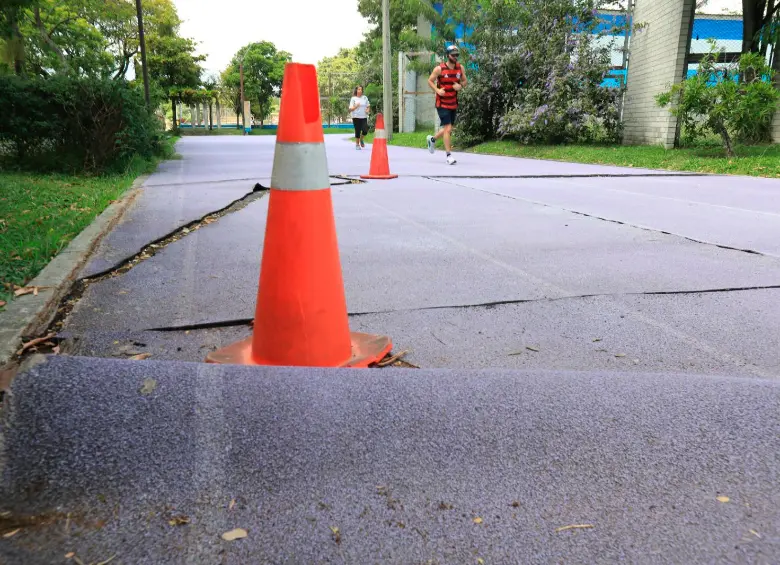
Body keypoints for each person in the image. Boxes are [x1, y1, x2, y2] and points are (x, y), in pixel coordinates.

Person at [426, 44, 467, 165]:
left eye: (457, 55)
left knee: (448, 129)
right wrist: (437, 90)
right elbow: (430, 80)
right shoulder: (439, 69)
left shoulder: (460, 68)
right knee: (448, 128)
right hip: (442, 103)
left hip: (453, 102)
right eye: (453, 55)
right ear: (447, 55)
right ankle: (449, 156)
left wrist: (460, 86)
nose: (455, 57)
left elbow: (465, 81)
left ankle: (432, 139)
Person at [349, 86, 370, 150]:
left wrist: (367, 110)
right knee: (357, 130)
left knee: (365, 130)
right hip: (356, 117)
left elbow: (368, 106)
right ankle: (357, 144)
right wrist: (356, 106)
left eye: (361, 89)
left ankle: (361, 139)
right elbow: (350, 109)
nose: (360, 90)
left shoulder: (365, 98)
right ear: (356, 90)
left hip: (364, 116)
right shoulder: (353, 98)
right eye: (359, 89)